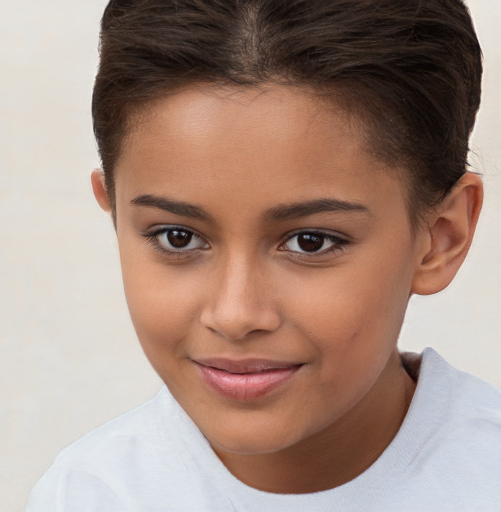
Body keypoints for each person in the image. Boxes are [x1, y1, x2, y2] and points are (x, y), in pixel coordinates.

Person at [26, 0, 501, 510]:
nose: (235, 315)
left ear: (441, 238)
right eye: (177, 237)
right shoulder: (87, 494)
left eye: (310, 242)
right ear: (115, 215)